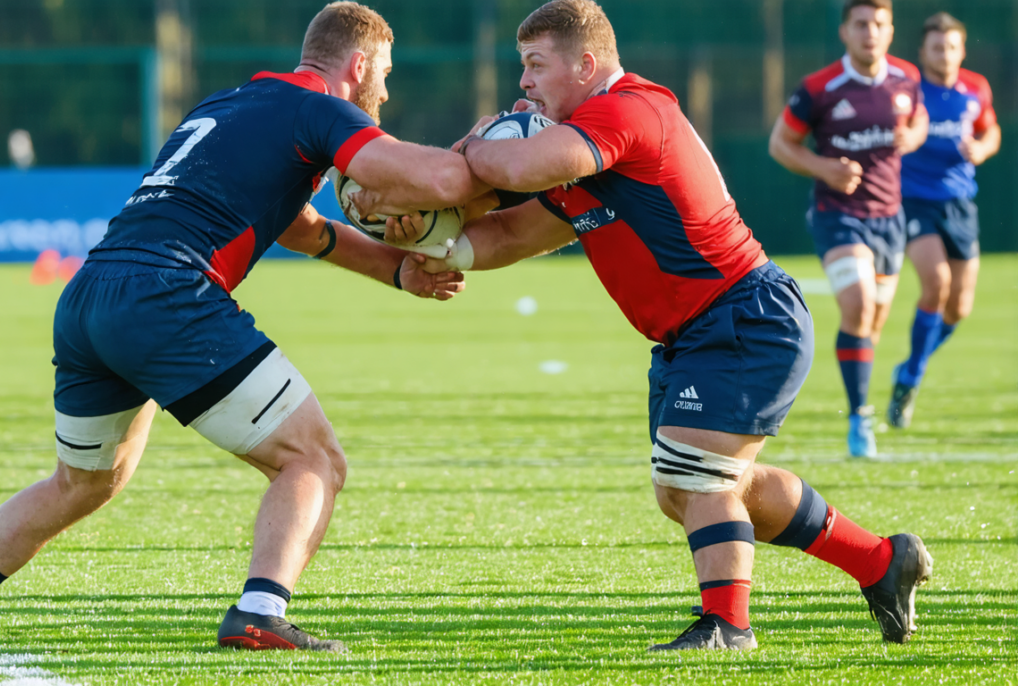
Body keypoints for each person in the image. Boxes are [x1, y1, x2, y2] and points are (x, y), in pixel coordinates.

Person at [0, 1, 485, 653]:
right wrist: (487, 160)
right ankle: (261, 611)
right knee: (313, 459)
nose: (387, 92)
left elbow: (301, 229)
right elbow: (436, 176)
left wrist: (399, 272)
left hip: (90, 293)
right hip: (165, 294)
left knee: (84, 481)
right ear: (359, 64)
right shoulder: (320, 109)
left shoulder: (226, 105)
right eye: (386, 75)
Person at [358, 0, 932, 650]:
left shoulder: (627, 108)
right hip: (694, 330)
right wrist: (432, 241)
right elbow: (511, 236)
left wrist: (467, 149)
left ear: (586, 64)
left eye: (535, 65)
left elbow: (515, 168)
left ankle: (728, 626)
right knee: (694, 486)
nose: (524, 84)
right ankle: (882, 563)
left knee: (696, 473)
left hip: (742, 312)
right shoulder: (582, 155)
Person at [768, 0, 927, 458]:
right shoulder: (819, 88)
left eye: (878, 23)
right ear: (845, 32)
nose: (870, 32)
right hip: (838, 214)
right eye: (861, 24)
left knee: (872, 323)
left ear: (891, 30)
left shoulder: (907, 79)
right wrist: (823, 167)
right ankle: (860, 419)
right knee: (857, 307)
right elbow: (782, 143)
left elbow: (919, 121)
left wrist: (912, 137)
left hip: (889, 218)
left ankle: (861, 401)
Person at [888, 12, 1001, 429]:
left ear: (962, 50)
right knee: (936, 284)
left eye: (952, 47)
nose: (945, 54)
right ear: (923, 52)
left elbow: (992, 131)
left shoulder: (976, 88)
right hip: (916, 201)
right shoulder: (909, 89)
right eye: (937, 47)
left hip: (960, 204)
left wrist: (983, 148)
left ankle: (908, 368)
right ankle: (912, 379)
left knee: (959, 309)